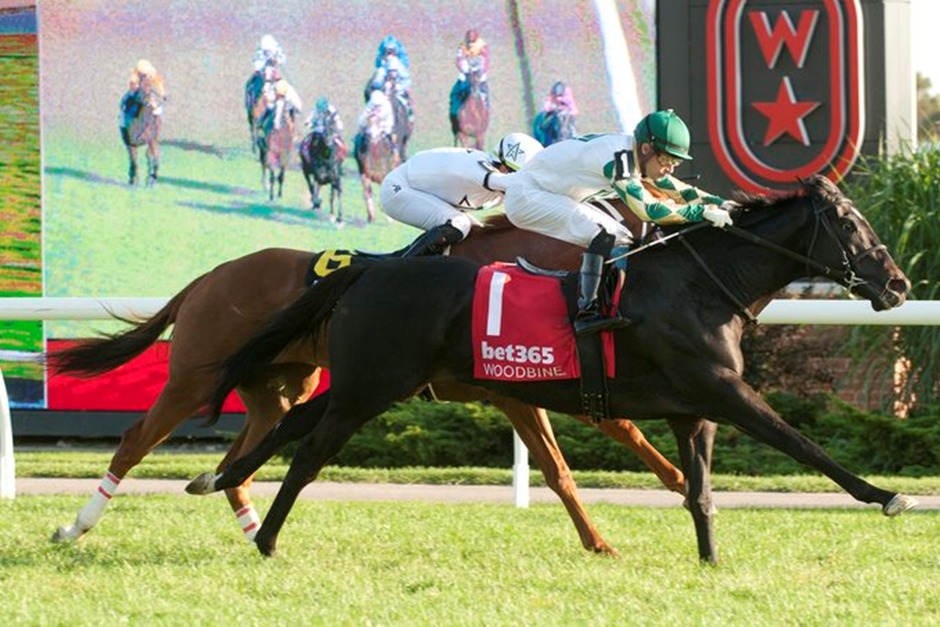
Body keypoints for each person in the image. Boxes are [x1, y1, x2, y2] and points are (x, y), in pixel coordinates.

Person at [503, 109, 736, 335]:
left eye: (676, 161)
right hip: (527, 195)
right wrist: (700, 213)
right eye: (666, 158)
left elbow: (677, 190)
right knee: (607, 233)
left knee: (620, 235)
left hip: (547, 192)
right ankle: (587, 312)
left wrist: (722, 203)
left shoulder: (634, 154)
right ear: (646, 148)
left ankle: (605, 304)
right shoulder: (618, 158)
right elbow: (649, 210)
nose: (670, 167)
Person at [380, 132, 544, 257]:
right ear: (501, 163)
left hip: (418, 191)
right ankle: (402, 269)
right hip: (398, 189)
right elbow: (504, 182)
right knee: (459, 224)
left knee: (478, 235)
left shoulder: (501, 183)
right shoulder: (478, 166)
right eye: (512, 173)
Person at [449, 29, 490, 134]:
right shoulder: (462, 46)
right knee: (455, 94)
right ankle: (455, 117)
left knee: (484, 94)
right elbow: (458, 59)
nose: (470, 38)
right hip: (466, 74)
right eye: (469, 36)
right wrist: (464, 69)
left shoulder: (482, 46)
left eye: (472, 36)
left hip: (479, 75)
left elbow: (486, 60)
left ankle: (486, 114)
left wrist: (480, 72)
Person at [120, 59, 167, 127]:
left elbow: (159, 82)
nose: (148, 78)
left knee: (153, 103)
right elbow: (133, 85)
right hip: (136, 95)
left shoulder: (152, 74)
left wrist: (162, 93)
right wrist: (136, 89)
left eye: (149, 76)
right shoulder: (135, 78)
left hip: (146, 94)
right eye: (145, 76)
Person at [533, 81, 578, 146]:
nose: (558, 99)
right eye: (556, 96)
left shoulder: (568, 115)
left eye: (561, 96)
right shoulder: (544, 115)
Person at [355, 88, 395, 156]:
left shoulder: (387, 105)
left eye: (378, 106)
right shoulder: (370, 104)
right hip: (371, 126)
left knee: (389, 137)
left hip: (384, 127)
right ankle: (359, 152)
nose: (376, 107)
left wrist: (376, 115)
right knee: (361, 137)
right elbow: (363, 118)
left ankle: (393, 151)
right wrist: (367, 117)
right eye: (375, 106)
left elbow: (383, 116)